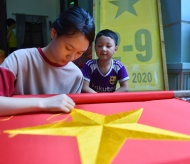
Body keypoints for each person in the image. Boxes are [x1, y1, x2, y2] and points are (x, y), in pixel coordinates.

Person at [0, 6, 95, 116]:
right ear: (54, 33)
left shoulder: (76, 75)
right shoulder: (19, 60)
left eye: (80, 52)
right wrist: (43, 103)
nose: (71, 57)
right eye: (68, 48)